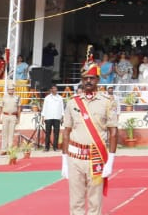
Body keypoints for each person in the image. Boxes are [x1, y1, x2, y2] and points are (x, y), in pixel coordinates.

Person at [62, 63, 117, 215]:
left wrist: (111, 161)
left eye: (91, 78)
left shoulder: (107, 102)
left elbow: (113, 132)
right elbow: (66, 132)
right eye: (85, 78)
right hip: (75, 158)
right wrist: (64, 161)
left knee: (95, 203)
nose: (88, 81)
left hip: (96, 158)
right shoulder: (73, 102)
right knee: (76, 202)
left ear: (97, 80)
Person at [0, 86, 22, 154]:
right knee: (4, 133)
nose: (11, 90)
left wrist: (19, 119)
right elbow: (0, 107)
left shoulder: (17, 97)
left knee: (11, 134)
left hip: (13, 116)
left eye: (12, 89)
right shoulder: (4, 97)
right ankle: (3, 150)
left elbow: (19, 108)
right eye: (9, 89)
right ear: (7, 90)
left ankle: (10, 149)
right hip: (5, 116)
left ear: (14, 90)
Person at [41, 84, 64, 151]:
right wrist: (43, 116)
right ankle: (46, 147)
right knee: (48, 133)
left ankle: (55, 147)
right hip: (48, 117)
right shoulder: (47, 98)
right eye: (53, 88)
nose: (55, 90)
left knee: (56, 133)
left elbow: (62, 108)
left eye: (56, 88)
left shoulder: (60, 98)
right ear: (51, 90)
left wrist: (62, 116)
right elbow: (44, 107)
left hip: (57, 117)